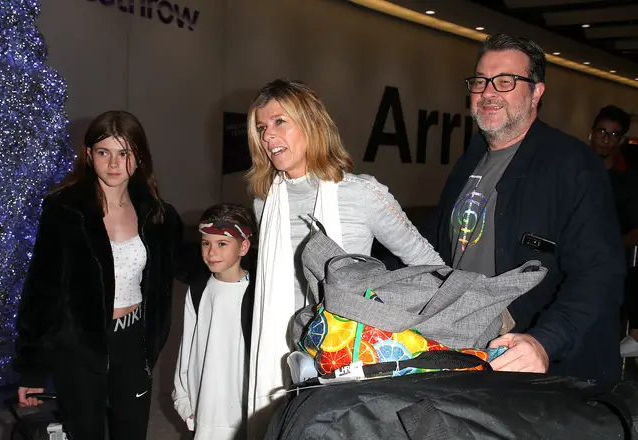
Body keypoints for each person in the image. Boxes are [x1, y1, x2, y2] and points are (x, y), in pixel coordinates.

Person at [245, 78, 445, 435]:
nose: (268, 136)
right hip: (281, 352)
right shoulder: (265, 204)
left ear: (310, 123)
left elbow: (428, 265)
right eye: (261, 127)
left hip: (345, 353)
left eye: (279, 122)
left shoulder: (362, 193)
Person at [428, 33, 625, 384]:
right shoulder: (473, 156)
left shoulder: (571, 165)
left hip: (528, 362)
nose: (488, 93)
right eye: (480, 81)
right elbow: (439, 243)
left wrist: (544, 341)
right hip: (462, 342)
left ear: (536, 92)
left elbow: (599, 274)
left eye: (505, 82)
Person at [13, 110, 196, 440]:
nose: (114, 163)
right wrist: (32, 368)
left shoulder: (157, 214)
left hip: (133, 340)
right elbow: (42, 291)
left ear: (139, 158)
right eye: (103, 152)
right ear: (88, 155)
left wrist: (239, 262)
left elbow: (186, 263)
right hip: (78, 345)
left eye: (124, 153)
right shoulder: (64, 210)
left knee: (132, 432)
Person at [172, 203, 257, 440]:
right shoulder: (199, 290)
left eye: (222, 244)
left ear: (243, 247)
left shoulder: (257, 293)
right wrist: (184, 403)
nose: (211, 252)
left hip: (245, 414)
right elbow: (186, 349)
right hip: (206, 412)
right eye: (206, 243)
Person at [589, 105, 638, 357]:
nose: (606, 139)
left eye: (613, 134)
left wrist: (612, 246)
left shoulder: (628, 180)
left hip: (611, 268)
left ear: (620, 140)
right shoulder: (574, 167)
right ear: (592, 133)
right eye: (602, 131)